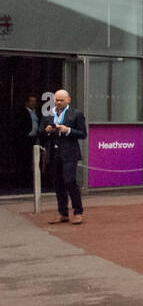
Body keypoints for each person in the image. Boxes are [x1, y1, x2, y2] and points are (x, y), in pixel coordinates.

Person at [41, 89, 88, 225]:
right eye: (57, 100)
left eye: (61, 100)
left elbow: (83, 134)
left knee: (70, 181)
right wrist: (47, 131)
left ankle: (78, 212)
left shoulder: (76, 114)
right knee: (58, 184)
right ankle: (63, 213)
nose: (59, 102)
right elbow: (40, 133)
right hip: (54, 153)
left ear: (68, 100)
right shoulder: (49, 114)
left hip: (69, 153)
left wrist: (68, 130)